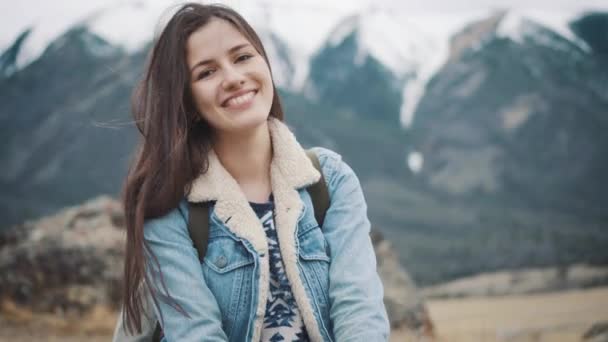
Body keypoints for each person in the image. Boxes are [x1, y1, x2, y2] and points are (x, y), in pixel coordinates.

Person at [117, 3, 389, 341]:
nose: (233, 78)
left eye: (243, 57)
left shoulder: (331, 180)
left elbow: (360, 313)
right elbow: (196, 334)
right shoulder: (168, 206)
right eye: (206, 73)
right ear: (187, 102)